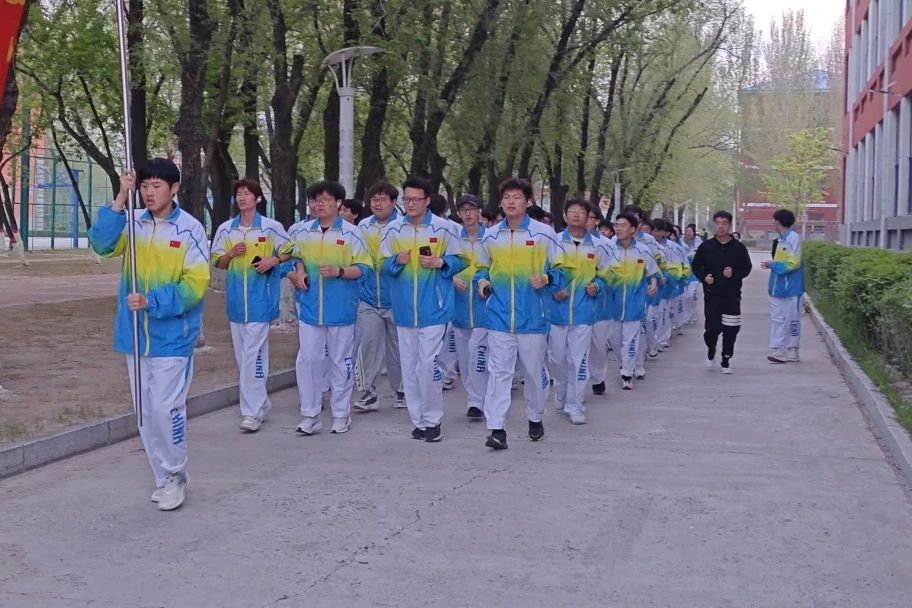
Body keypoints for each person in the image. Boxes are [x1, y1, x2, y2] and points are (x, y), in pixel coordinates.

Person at [88, 158, 210, 511]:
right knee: (144, 412)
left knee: (165, 408)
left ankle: (176, 473)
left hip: (172, 336)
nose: (149, 192)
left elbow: (195, 283)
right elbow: (102, 244)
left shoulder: (189, 230)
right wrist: (120, 198)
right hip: (135, 335)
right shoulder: (134, 223)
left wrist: (151, 301)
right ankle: (162, 478)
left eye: (156, 186)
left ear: (174, 188)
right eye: (144, 186)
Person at [476, 178, 567, 449]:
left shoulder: (543, 234)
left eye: (516, 197)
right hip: (499, 316)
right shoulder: (491, 235)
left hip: (533, 317)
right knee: (498, 373)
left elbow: (563, 269)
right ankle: (496, 429)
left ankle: (535, 416)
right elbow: (481, 268)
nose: (510, 202)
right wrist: (482, 281)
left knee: (533, 372)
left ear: (528, 202)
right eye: (506, 197)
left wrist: (548, 279)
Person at [380, 177, 467, 442]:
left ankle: (433, 420)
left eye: (415, 199)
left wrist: (441, 262)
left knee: (428, 365)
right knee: (409, 368)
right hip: (404, 309)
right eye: (406, 199)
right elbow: (382, 265)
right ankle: (418, 421)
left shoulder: (445, 228)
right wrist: (396, 261)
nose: (410, 204)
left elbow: (462, 259)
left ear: (427, 200)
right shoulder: (394, 230)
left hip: (435, 309)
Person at [287, 180, 371, 435]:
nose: (319, 204)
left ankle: (340, 414)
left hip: (341, 310)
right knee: (309, 361)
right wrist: (299, 273)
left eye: (325, 200)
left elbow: (365, 269)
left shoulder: (352, 234)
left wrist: (340, 271)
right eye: (315, 200)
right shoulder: (302, 232)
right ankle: (310, 414)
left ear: (338, 203)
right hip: (310, 308)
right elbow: (294, 258)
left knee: (340, 362)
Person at [211, 178, 293, 433]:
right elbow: (217, 262)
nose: (242, 197)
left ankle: (252, 412)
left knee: (252, 356)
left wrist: (273, 260)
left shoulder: (271, 227)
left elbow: (291, 249)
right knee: (244, 358)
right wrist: (230, 254)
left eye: (247, 193)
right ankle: (262, 403)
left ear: (257, 198)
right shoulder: (226, 229)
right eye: (239, 193)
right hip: (236, 303)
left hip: (261, 300)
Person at [547, 199, 605, 424]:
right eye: (572, 211)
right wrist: (554, 290)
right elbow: (543, 271)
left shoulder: (598, 246)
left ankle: (575, 405)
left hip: (583, 312)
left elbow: (607, 274)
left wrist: (597, 286)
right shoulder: (553, 242)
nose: (577, 215)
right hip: (556, 312)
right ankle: (561, 387)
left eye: (582, 211)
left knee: (578, 360)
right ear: (565, 216)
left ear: (588, 217)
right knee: (556, 358)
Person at [352, 181, 405, 412]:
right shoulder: (363, 226)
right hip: (368, 298)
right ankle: (368, 392)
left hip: (396, 299)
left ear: (393, 202)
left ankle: (402, 390)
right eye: (374, 199)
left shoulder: (402, 227)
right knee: (368, 343)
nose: (378, 204)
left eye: (383, 199)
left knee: (398, 348)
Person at [598, 213, 659, 390]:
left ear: (633, 229)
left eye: (622, 225)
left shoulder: (642, 250)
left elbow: (652, 271)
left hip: (635, 302)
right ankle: (626, 364)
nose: (618, 228)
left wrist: (653, 283)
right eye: (616, 225)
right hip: (612, 303)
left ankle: (627, 373)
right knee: (615, 342)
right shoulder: (608, 248)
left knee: (630, 340)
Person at [691, 210, 752, 374]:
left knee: (731, 329)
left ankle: (726, 359)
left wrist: (734, 274)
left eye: (724, 223)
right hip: (712, 295)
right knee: (712, 329)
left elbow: (747, 268)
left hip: (732, 296)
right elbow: (696, 266)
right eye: (717, 223)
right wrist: (704, 277)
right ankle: (711, 350)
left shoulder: (738, 247)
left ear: (729, 225)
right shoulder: (706, 246)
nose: (720, 226)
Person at [452, 194, 489, 420]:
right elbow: (442, 266)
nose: (467, 214)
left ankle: (479, 399)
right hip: (460, 306)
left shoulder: (491, 238)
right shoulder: (453, 240)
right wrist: (452, 279)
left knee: (478, 352)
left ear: (479, 212)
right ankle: (472, 398)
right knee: (465, 357)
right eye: (463, 210)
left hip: (484, 307)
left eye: (471, 209)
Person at [761, 208, 805, 363]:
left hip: (792, 287)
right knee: (777, 319)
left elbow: (794, 263)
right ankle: (778, 349)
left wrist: (773, 265)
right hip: (777, 287)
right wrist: (773, 266)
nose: (772, 222)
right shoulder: (780, 240)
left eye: (774, 220)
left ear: (778, 221)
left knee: (792, 319)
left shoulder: (793, 238)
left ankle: (793, 350)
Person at [681, 224, 703, 325]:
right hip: (683, 274)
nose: (688, 233)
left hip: (694, 274)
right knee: (684, 297)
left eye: (691, 231)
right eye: (687, 231)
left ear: (694, 233)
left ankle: (693, 314)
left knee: (691, 295)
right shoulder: (680, 243)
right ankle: (686, 316)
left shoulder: (698, 243)